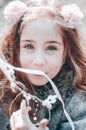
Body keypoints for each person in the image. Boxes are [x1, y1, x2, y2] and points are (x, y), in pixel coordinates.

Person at [0, 0, 86, 130]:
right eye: (29, 46)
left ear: (66, 53)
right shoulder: (3, 90)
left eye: (51, 48)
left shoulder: (77, 99)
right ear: (15, 49)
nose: (39, 61)